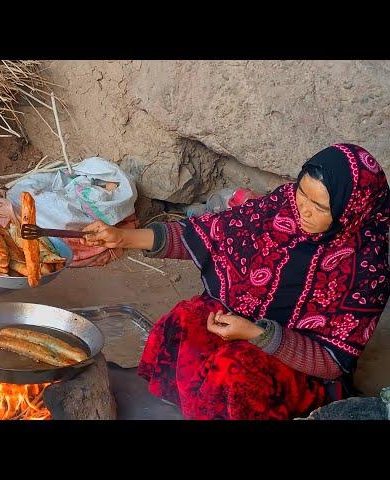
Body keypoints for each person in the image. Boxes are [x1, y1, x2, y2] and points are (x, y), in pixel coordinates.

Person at [82, 144, 390, 419]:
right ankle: (184, 408)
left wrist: (258, 334)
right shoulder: (282, 206)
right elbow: (207, 235)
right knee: (181, 322)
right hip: (242, 319)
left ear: (352, 211)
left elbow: (331, 361)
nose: (302, 209)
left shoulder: (366, 268)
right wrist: (123, 237)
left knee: (232, 372)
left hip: (299, 364)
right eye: (302, 192)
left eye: (320, 206)